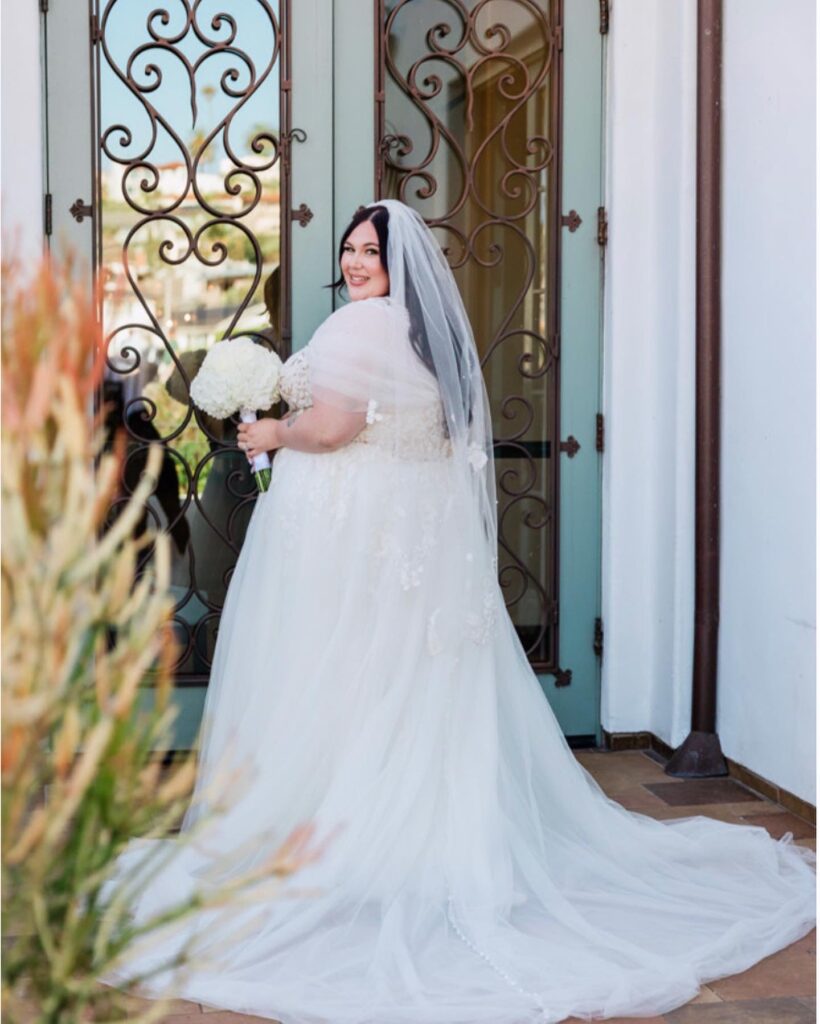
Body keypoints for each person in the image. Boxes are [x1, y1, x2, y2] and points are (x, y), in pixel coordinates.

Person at [100, 200, 815, 1024]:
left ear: (397, 263)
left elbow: (331, 431)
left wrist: (269, 430)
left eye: (370, 250)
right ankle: (413, 839)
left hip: (353, 532)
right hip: (411, 532)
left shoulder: (358, 328)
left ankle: (343, 841)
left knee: (344, 674)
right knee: (406, 676)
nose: (357, 261)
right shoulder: (424, 335)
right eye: (350, 249)